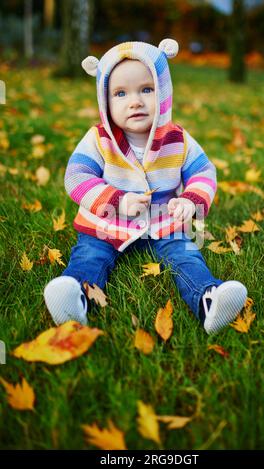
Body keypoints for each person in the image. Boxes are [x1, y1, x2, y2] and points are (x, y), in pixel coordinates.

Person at [44, 38, 247, 335]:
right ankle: (75, 295)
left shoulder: (178, 139)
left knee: (186, 253)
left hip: (165, 219)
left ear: (164, 92)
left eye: (147, 89)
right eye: (121, 93)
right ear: (105, 101)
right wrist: (115, 201)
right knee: (90, 254)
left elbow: (203, 171)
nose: (135, 101)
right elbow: (77, 176)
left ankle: (208, 299)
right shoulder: (98, 139)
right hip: (107, 222)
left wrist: (191, 199)